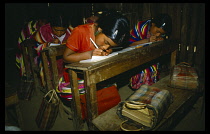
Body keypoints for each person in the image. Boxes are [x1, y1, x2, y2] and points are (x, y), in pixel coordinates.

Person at [63, 11, 130, 63]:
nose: (105, 47)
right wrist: (89, 54)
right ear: (100, 29)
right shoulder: (80, 31)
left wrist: (110, 50)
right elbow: (66, 58)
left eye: (111, 46)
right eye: (106, 42)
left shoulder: (106, 41)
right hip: (78, 77)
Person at [129, 13, 172, 90]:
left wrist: (161, 41)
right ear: (153, 24)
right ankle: (139, 85)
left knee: (152, 65)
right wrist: (147, 41)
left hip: (151, 59)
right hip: (136, 57)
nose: (158, 34)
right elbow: (130, 44)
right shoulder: (140, 26)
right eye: (157, 31)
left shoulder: (160, 35)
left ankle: (149, 84)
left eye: (161, 34)